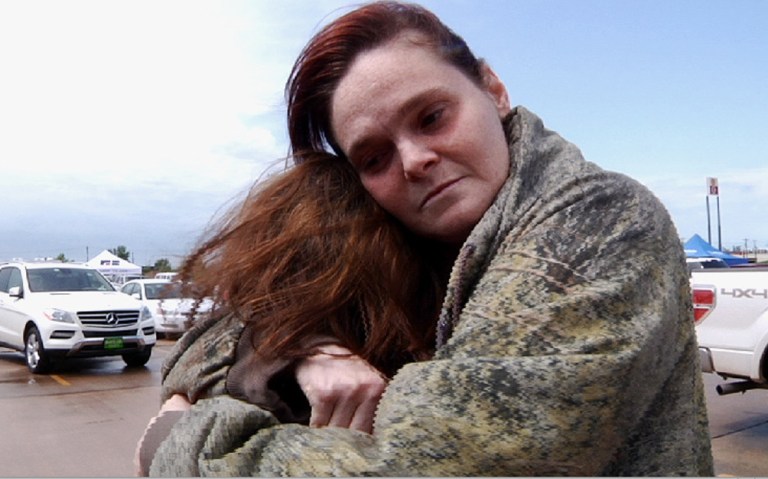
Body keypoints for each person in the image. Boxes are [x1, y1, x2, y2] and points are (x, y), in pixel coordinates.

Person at [136, 1, 714, 476]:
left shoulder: (602, 221)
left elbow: (427, 463)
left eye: (432, 117)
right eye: (374, 155)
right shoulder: (406, 236)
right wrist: (303, 349)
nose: (413, 161)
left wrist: (178, 441)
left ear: (493, 89)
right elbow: (204, 339)